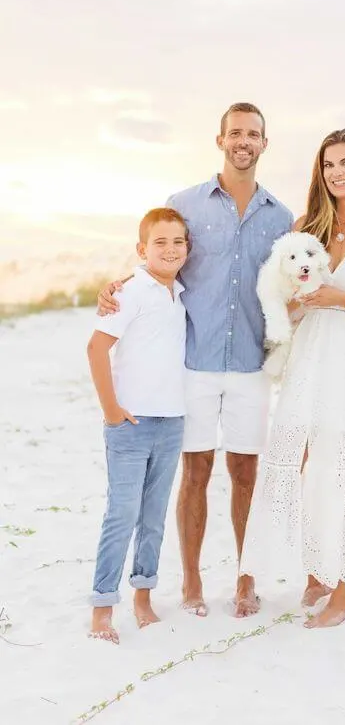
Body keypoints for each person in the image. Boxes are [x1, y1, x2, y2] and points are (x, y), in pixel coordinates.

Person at [98, 103, 293, 617]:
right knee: (196, 472)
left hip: (252, 365)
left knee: (247, 473)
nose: (243, 141)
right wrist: (118, 283)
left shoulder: (281, 216)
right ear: (220, 139)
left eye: (253, 134)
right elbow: (161, 251)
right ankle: (190, 582)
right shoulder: (184, 203)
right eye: (235, 133)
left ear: (264, 144)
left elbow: (292, 282)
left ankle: (246, 580)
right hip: (195, 363)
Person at [240, 129, 345, 628]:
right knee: (303, 464)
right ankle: (316, 572)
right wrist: (294, 307)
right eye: (329, 164)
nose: (338, 172)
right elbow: (287, 296)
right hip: (310, 356)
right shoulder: (306, 227)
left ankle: (344, 592)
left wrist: (341, 299)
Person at [87, 207, 189, 644]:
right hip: (130, 424)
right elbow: (96, 348)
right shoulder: (129, 292)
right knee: (122, 514)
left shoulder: (180, 292)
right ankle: (102, 608)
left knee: (153, 517)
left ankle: (143, 598)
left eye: (178, 242)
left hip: (171, 422)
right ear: (141, 249)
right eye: (159, 242)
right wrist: (112, 410)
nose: (169, 250)